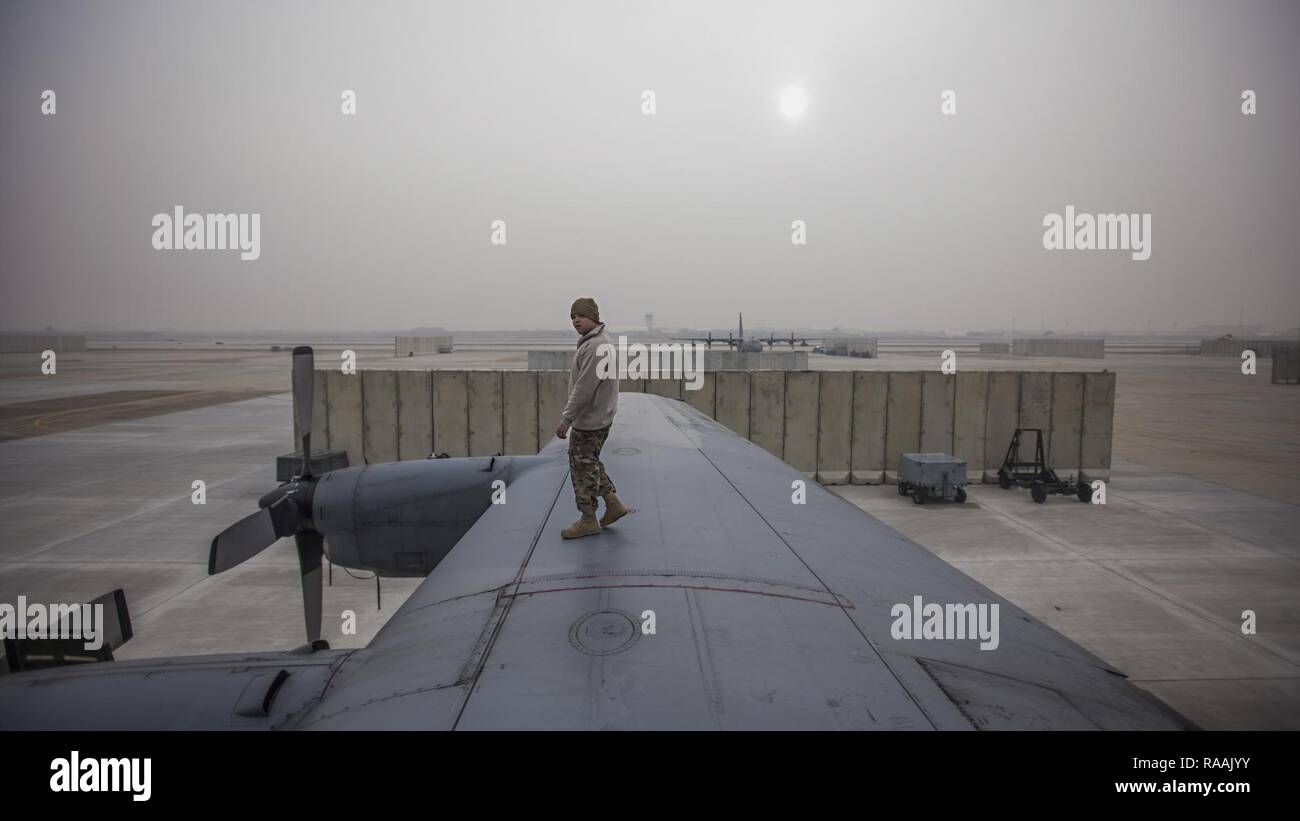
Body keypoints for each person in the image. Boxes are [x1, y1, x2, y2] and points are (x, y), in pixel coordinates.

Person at [556, 297, 630, 539]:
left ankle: (588, 519)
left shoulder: (595, 347)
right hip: (599, 418)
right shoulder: (599, 344)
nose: (576, 320)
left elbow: (584, 388)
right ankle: (613, 503)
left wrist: (567, 419)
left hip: (589, 421)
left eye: (581, 316)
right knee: (590, 462)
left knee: (581, 469)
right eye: (573, 317)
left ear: (594, 318)